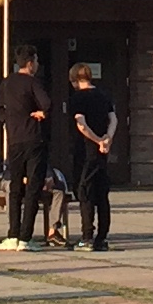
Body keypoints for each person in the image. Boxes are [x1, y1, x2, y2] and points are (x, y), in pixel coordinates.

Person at [0, 50, 52, 252]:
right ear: (30, 63)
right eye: (36, 60)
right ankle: (25, 237)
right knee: (33, 188)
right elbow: (47, 103)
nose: (37, 64)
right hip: (34, 140)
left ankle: (12, 234)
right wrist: (41, 113)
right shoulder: (33, 82)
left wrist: (9, 121)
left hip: (14, 140)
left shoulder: (8, 82)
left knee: (15, 186)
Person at [66, 61, 118, 254]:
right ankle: (102, 238)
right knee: (102, 194)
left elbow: (81, 124)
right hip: (102, 153)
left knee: (85, 193)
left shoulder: (78, 98)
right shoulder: (104, 95)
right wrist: (107, 139)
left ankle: (87, 237)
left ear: (74, 80)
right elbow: (113, 119)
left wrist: (96, 140)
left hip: (86, 152)